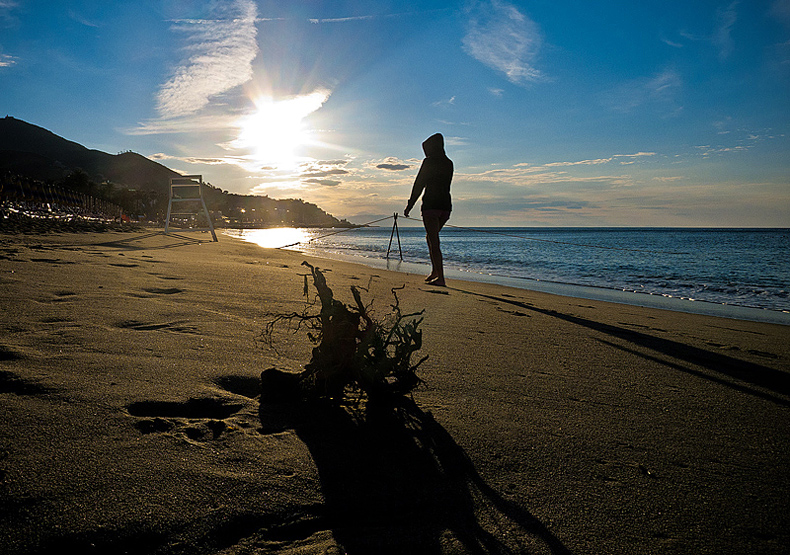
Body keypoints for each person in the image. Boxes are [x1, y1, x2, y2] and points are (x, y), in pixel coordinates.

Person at [404, 133, 453, 286]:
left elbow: (419, 184)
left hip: (431, 205)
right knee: (431, 238)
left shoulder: (428, 162)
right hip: (446, 207)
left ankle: (441, 278)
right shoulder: (449, 163)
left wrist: (409, 205)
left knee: (434, 240)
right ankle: (435, 271)